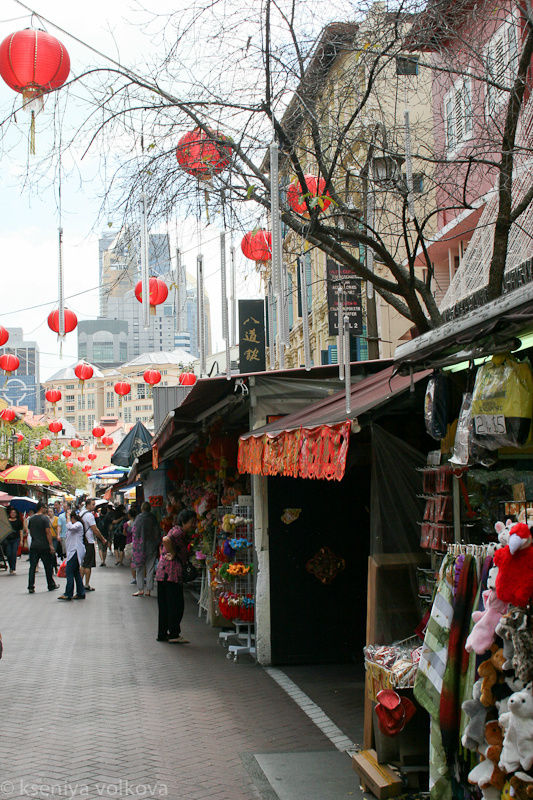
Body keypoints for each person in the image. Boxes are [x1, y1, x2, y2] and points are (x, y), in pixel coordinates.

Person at [155, 508, 196, 642]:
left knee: (164, 605)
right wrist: (172, 553)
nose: (193, 525)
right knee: (176, 605)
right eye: (192, 522)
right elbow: (166, 539)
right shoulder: (179, 532)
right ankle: (173, 634)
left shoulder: (174, 529)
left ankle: (162, 633)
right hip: (171, 573)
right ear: (184, 521)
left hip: (163, 572)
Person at [27, 502, 59, 593]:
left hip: (34, 545)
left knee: (32, 567)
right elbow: (48, 532)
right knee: (47, 566)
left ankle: (30, 586)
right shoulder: (44, 518)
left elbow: (30, 530)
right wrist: (51, 545)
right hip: (44, 545)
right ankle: (51, 584)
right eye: (45, 507)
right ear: (41, 508)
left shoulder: (31, 519)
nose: (46, 509)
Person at [132, 501, 161, 597]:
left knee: (139, 568)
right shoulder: (153, 518)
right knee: (150, 568)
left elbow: (134, 532)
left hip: (140, 547)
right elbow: (157, 532)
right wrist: (156, 543)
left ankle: (140, 589)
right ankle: (149, 590)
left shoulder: (138, 518)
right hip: (151, 546)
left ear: (142, 508)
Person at [80, 499, 108, 592]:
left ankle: (80, 583)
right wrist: (103, 539)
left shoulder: (81, 514)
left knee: (83, 563)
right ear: (88, 505)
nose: (94, 506)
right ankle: (86, 584)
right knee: (88, 565)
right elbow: (95, 529)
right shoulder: (89, 515)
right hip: (89, 541)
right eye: (93, 504)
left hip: (82, 541)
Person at [58, 509, 86, 601]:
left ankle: (68, 593)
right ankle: (80, 592)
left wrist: (68, 519)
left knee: (69, 572)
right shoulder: (76, 524)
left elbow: (70, 527)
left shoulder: (78, 524)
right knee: (76, 573)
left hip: (75, 551)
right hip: (72, 552)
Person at [4, 507, 23, 574]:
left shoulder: (19, 521)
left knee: (14, 553)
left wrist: (21, 540)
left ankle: (13, 568)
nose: (13, 514)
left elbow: (21, 531)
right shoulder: (6, 521)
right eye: (12, 513)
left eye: (14, 513)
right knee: (9, 554)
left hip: (16, 539)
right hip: (8, 539)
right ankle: (10, 566)